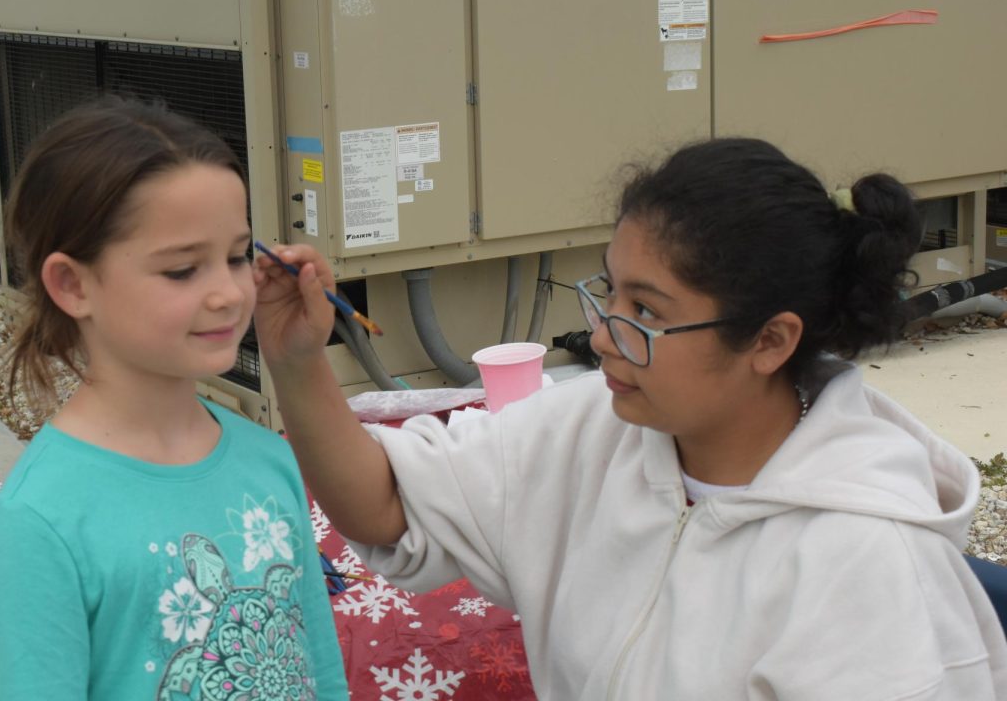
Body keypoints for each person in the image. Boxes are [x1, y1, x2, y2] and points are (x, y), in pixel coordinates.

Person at [254, 137, 1007, 699]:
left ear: (771, 341)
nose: (605, 334)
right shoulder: (590, 430)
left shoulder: (865, 564)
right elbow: (388, 507)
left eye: (646, 311)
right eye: (609, 293)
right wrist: (297, 362)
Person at [0, 97, 348, 700]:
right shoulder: (39, 523)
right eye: (182, 270)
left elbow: (320, 673)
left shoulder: (269, 462)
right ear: (72, 284)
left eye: (235, 257)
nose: (228, 293)